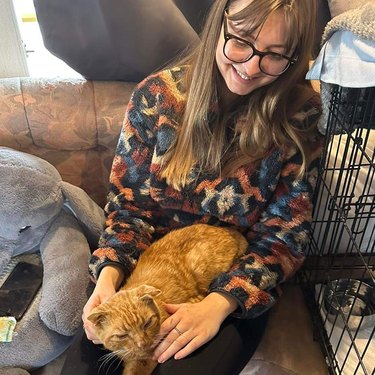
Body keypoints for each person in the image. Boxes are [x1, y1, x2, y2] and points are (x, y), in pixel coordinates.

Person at [76, 0, 323, 374]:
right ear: (218, 27)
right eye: (241, 40)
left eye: (275, 55)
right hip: (143, 283)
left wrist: (218, 304)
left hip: (230, 285)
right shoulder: (155, 99)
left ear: (295, 58)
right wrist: (108, 279)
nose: (251, 66)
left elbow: (284, 239)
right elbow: (129, 210)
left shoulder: (300, 118)